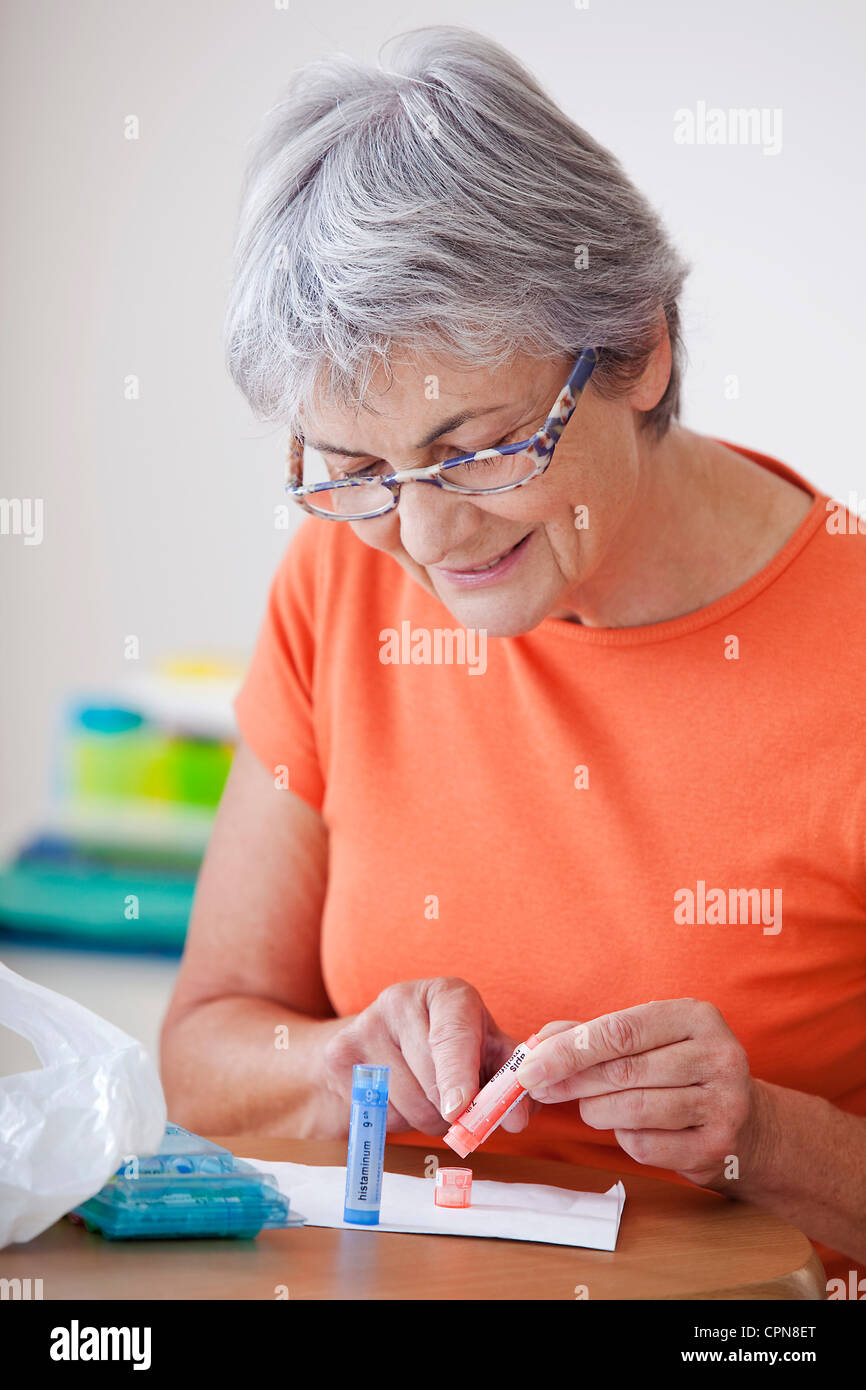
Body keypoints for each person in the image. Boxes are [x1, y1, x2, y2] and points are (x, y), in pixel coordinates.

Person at [160, 26, 866, 1285]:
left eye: (479, 447)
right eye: (360, 471)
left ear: (638, 348)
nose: (424, 536)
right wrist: (335, 1063)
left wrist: (761, 1135)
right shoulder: (337, 579)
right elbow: (203, 1045)